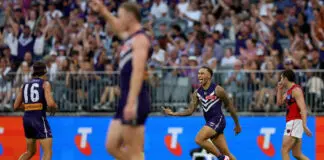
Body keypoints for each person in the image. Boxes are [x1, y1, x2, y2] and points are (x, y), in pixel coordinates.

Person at [89, 1, 152, 160]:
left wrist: (131, 103)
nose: (119, 20)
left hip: (135, 98)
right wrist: (103, 10)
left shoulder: (140, 40)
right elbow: (117, 26)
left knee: (134, 151)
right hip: (125, 98)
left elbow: (137, 72)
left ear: (130, 17)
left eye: (121, 16)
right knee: (111, 146)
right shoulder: (130, 38)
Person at [163, 66, 241, 160]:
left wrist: (237, 124)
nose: (199, 76)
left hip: (218, 120)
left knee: (199, 139)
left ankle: (221, 158)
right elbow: (190, 111)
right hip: (210, 122)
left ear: (209, 76)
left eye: (202, 73)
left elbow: (230, 107)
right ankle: (224, 156)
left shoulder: (218, 90)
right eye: (198, 73)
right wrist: (173, 113)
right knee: (227, 153)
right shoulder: (197, 93)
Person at [14, 61, 57, 160]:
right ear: (45, 71)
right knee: (47, 153)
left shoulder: (24, 85)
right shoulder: (45, 84)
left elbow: (16, 106)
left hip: (27, 119)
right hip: (39, 119)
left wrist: (31, 106)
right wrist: (54, 106)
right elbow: (50, 104)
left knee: (30, 152)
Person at [276, 69, 312, 160]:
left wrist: (304, 124)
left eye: (281, 78)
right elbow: (279, 103)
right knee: (297, 154)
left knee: (284, 150)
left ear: (286, 78)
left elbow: (303, 108)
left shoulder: (296, 90)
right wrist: (279, 89)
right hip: (293, 123)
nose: (280, 80)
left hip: (295, 122)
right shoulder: (288, 91)